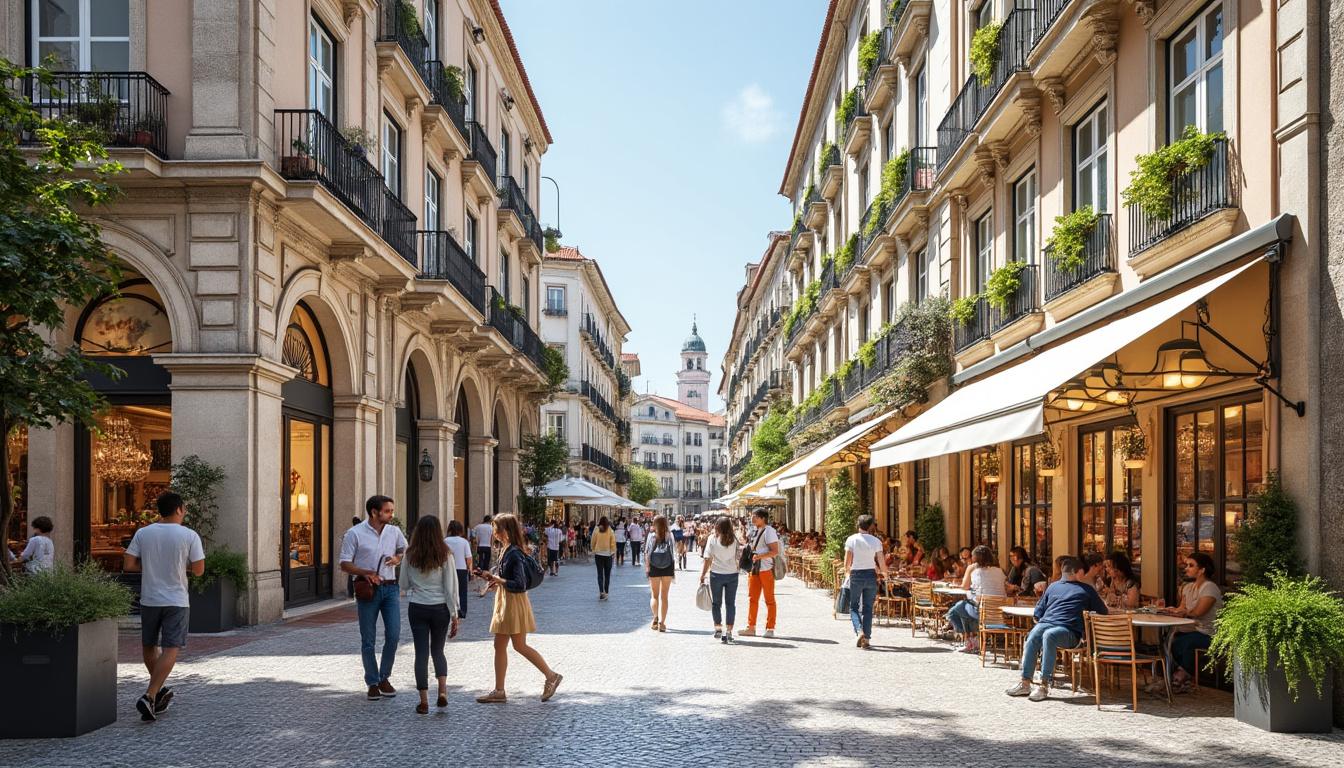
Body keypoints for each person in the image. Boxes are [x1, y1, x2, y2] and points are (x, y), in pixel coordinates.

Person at [122, 493, 205, 722]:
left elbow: (128, 564)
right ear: (178, 509)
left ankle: (158, 692)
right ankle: (149, 695)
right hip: (176, 599)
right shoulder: (189, 535)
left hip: (150, 598)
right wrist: (180, 569)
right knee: (171, 648)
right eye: (184, 508)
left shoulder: (143, 533)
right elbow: (199, 570)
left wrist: (149, 568)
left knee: (149, 645)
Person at [474, 514, 562, 703]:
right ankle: (500, 690)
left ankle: (551, 676)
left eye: (496, 529)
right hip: (507, 600)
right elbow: (508, 579)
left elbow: (519, 583)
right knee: (501, 645)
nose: (494, 533)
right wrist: (492, 579)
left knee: (518, 645)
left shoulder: (513, 551)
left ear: (506, 531)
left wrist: (498, 580)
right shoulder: (507, 549)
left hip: (513, 602)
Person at [1006, 556, 1107, 702]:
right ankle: (1025, 682)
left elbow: (1037, 613)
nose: (1083, 574)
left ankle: (1044, 685)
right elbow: (1103, 611)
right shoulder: (1061, 587)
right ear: (1076, 572)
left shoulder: (1080, 589)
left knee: (1049, 635)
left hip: (1070, 632)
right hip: (1050, 625)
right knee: (1033, 635)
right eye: (1081, 571)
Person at [339, 495, 407, 701]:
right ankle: (372, 682)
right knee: (368, 639)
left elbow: (404, 550)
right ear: (374, 512)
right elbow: (344, 564)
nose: (391, 514)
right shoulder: (355, 534)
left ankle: (384, 677)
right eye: (387, 511)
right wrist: (366, 572)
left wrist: (397, 558)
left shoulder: (394, 531)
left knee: (394, 635)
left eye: (391, 511)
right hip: (367, 589)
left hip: (390, 589)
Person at [403, 516, 460, 715]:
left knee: (421, 653)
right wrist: (454, 614)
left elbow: (403, 584)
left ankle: (424, 701)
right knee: (438, 650)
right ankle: (442, 692)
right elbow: (451, 587)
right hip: (440, 608)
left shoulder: (410, 554)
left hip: (417, 606)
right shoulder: (445, 554)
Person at [1159, 551, 1223, 693]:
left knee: (1185, 642)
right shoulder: (1188, 588)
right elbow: (1182, 608)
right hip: (1192, 629)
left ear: (1202, 570)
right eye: (1187, 565)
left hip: (1209, 633)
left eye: (1191, 565)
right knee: (1171, 639)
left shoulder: (1210, 587)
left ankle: (1181, 676)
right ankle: (1179, 676)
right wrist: (1172, 611)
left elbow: (1198, 612)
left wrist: (1182, 612)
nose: (1186, 568)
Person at [944, 545, 1007, 654]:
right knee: (963, 607)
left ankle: (970, 641)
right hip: (999, 613)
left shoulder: (972, 568)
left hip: (980, 610)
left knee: (954, 611)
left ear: (974, 557)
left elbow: (965, 586)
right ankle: (974, 639)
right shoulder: (999, 570)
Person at [844, 515, 889, 649]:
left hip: (856, 574)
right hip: (870, 575)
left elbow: (847, 563)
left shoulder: (851, 539)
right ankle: (867, 639)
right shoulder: (876, 541)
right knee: (868, 608)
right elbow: (881, 561)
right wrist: (885, 575)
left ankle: (859, 631)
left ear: (858, 524)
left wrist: (847, 574)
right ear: (871, 526)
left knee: (854, 606)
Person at [738, 510, 780, 638]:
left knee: (769, 599)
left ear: (763, 518)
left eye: (755, 517)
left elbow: (775, 551)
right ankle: (751, 627)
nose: (752, 519)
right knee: (752, 598)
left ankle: (770, 628)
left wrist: (760, 556)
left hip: (766, 568)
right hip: (754, 568)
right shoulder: (754, 531)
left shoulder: (769, 531)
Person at [700, 517, 740, 643]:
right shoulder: (734, 540)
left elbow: (707, 558)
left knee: (716, 603)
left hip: (716, 574)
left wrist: (702, 575)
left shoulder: (713, 539)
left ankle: (718, 627)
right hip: (732, 574)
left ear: (717, 526)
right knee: (730, 603)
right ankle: (728, 631)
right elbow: (738, 557)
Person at [644, 516, 677, 631]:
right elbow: (673, 552)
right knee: (664, 596)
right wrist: (673, 570)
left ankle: (655, 618)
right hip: (667, 566)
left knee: (654, 595)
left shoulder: (651, 535)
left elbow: (647, 553)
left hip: (654, 566)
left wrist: (647, 568)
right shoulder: (670, 535)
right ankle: (662, 623)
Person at [443, 520, 473, 618]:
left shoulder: (445, 541)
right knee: (462, 591)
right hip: (461, 569)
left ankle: (448, 609)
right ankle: (462, 611)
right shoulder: (464, 542)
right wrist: (469, 569)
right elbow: (468, 558)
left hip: (448, 569)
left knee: (449, 590)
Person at [590, 516, 616, 600]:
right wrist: (613, 552)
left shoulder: (596, 529)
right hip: (608, 555)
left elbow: (593, 541)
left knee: (600, 574)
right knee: (607, 575)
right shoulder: (610, 530)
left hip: (598, 554)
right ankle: (606, 592)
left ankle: (601, 592)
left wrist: (593, 549)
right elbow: (613, 543)